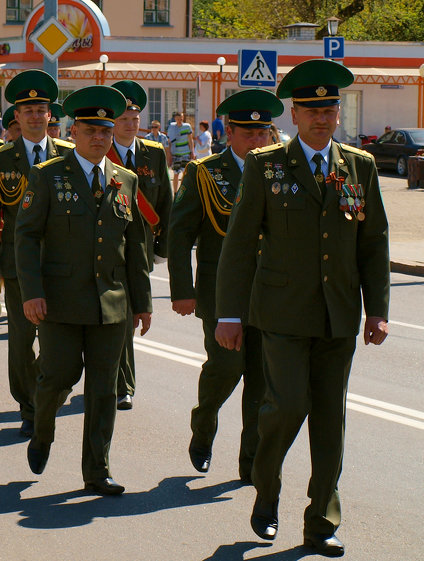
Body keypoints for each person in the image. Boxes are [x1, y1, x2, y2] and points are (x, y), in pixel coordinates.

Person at [215, 59, 389, 558]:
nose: (322, 117)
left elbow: (373, 243)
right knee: (286, 407)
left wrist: (377, 309)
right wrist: (229, 314)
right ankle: (266, 494)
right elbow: (241, 245)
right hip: (282, 315)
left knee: (330, 422)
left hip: (337, 316)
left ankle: (321, 521)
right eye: (312, 109)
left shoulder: (360, 166)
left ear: (338, 113)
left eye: (330, 108)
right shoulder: (265, 165)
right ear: (295, 113)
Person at [16, 85, 152, 496]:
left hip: (111, 305)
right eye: (91, 130)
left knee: (103, 390)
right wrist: (31, 292)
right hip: (59, 302)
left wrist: (142, 304)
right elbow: (25, 237)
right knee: (57, 378)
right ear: (73, 132)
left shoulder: (124, 179)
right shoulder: (47, 175)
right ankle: (42, 432)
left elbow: (135, 247)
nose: (99, 139)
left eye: (106, 132)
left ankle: (97, 469)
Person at [168, 89, 282, 484]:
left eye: (262, 133)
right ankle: (204, 424)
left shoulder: (278, 171)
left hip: (269, 294)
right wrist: (181, 289)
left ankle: (250, 463)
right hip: (221, 293)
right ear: (228, 132)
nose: (256, 140)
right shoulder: (205, 173)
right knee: (226, 367)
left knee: (262, 383)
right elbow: (179, 234)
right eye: (247, 133)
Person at [0, 70, 74, 436]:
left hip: (61, 266)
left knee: (58, 344)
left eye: (41, 109)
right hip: (18, 265)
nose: (35, 116)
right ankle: (29, 406)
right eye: (27, 110)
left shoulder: (69, 156)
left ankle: (48, 395)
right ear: (16, 117)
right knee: (21, 342)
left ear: (51, 115)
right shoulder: (1, 161)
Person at [109, 81, 173, 411]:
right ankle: (116, 380)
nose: (131, 123)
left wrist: (163, 247)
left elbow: (165, 202)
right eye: (124, 117)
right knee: (116, 318)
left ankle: (123, 383)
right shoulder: (99, 151)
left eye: (135, 117)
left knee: (133, 314)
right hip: (108, 249)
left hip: (143, 248)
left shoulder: (154, 153)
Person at [169, 112, 194, 192]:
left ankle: (183, 192)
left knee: (185, 174)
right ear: (175, 118)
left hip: (186, 154)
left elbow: (190, 140)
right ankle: (175, 192)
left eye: (181, 118)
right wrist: (169, 153)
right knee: (176, 174)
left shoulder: (187, 126)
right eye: (178, 118)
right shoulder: (172, 127)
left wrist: (192, 152)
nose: (180, 120)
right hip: (176, 154)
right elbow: (169, 141)